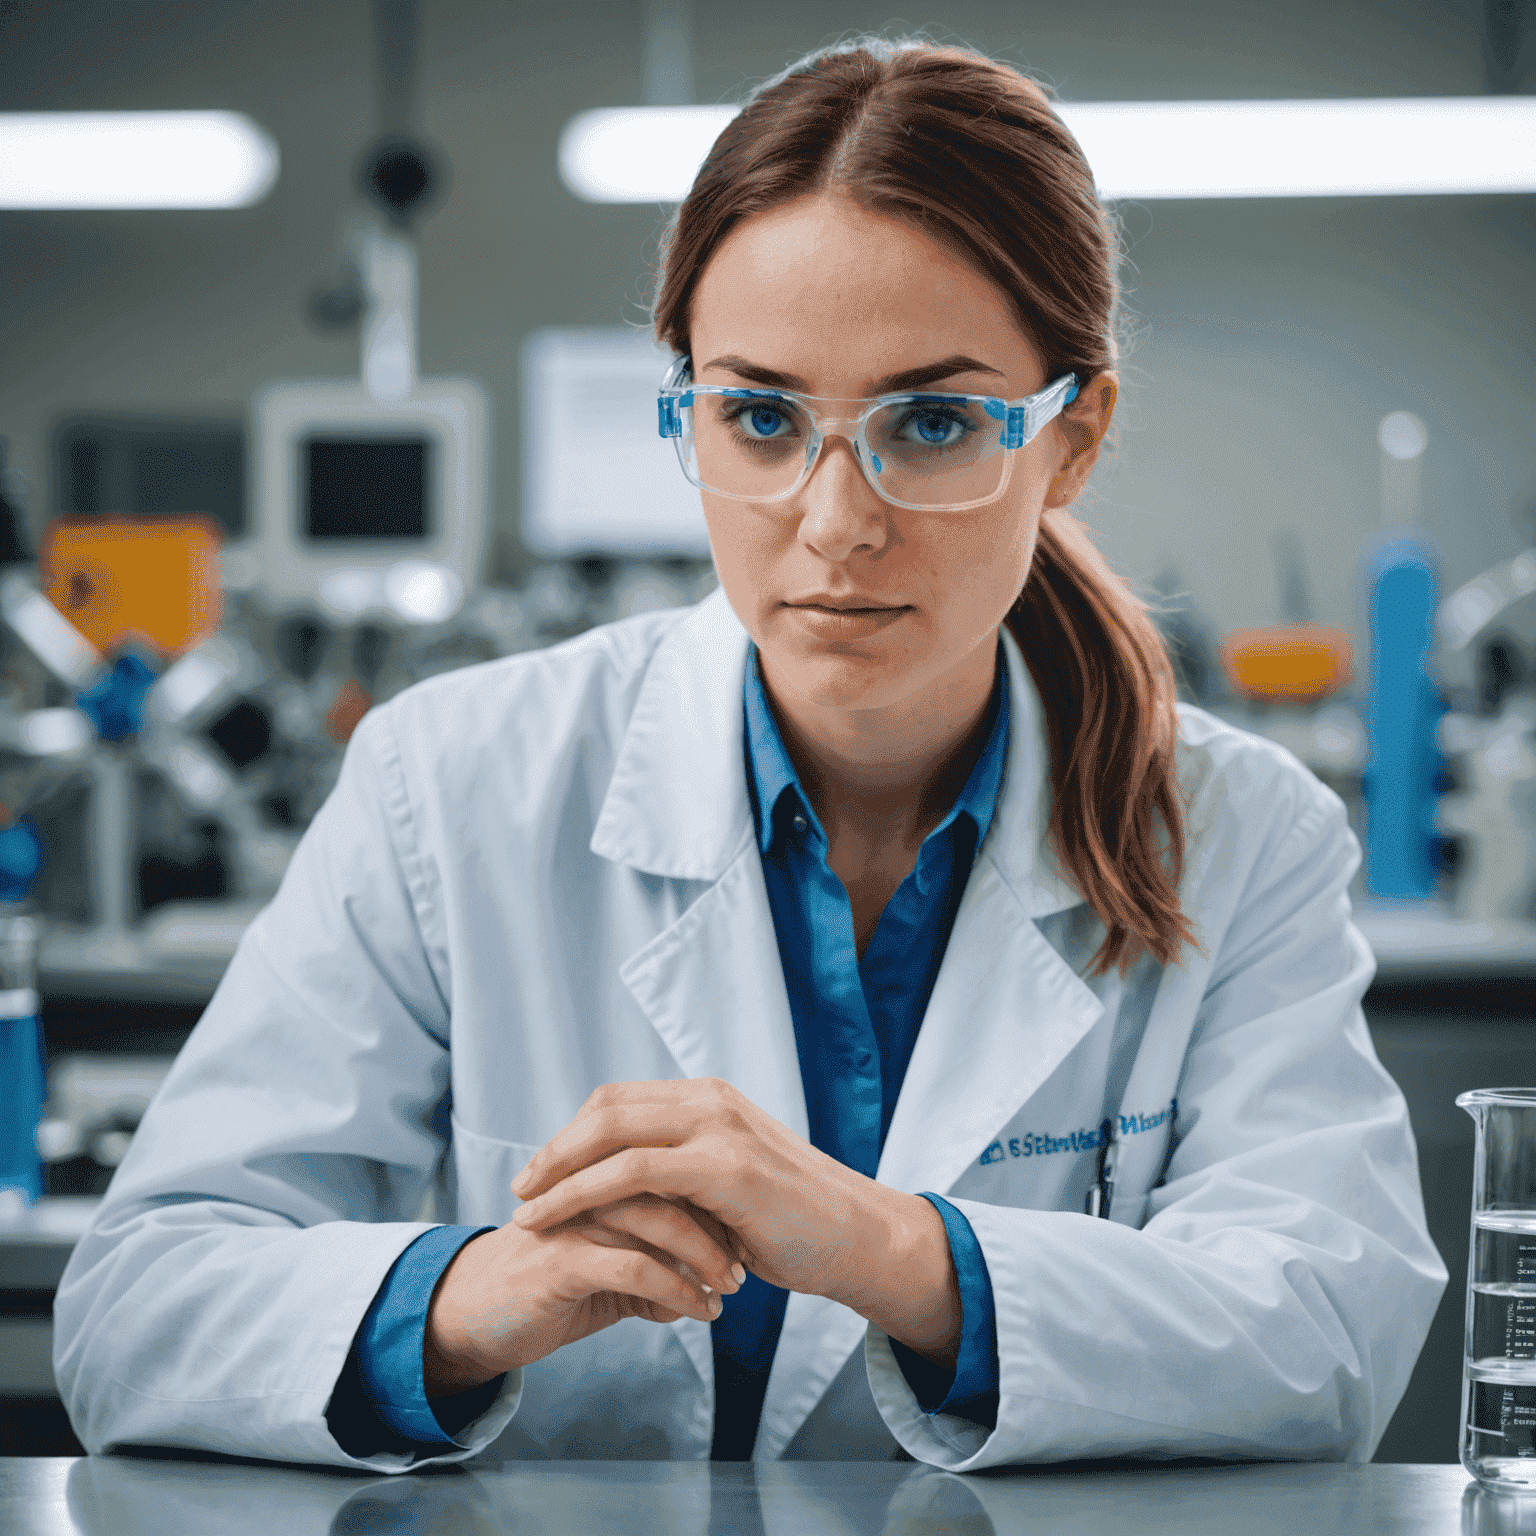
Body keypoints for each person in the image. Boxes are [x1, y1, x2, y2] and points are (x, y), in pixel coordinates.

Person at [54, 36, 1445, 1473]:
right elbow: (134, 1312)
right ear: (690, 412)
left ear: (1071, 438)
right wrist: (462, 1304)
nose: (836, 522)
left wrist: (891, 1251)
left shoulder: (1234, 831)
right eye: (763, 418)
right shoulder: (450, 784)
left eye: (936, 422)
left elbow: (1328, 1332)